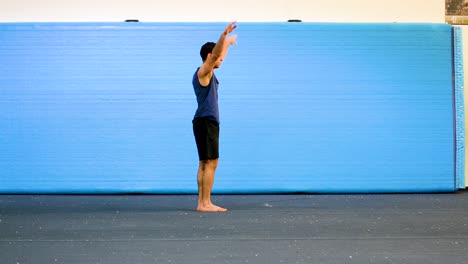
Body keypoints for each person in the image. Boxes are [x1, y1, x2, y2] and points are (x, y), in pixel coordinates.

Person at [192, 22, 237, 212]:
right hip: (206, 121)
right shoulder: (203, 72)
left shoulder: (208, 72)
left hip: (203, 121)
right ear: (210, 56)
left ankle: (202, 203)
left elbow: (220, 55)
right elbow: (217, 55)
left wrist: (227, 42)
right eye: (217, 57)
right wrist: (223, 35)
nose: (221, 60)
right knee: (211, 162)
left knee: (204, 163)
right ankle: (206, 203)